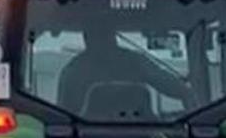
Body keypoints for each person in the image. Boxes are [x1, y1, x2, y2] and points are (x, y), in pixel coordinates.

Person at [57, 29, 192, 119]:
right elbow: (62, 117)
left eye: (103, 33)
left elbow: (165, 82)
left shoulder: (134, 61)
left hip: (143, 132)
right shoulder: (73, 72)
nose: (101, 39)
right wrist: (186, 93)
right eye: (96, 34)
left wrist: (187, 95)